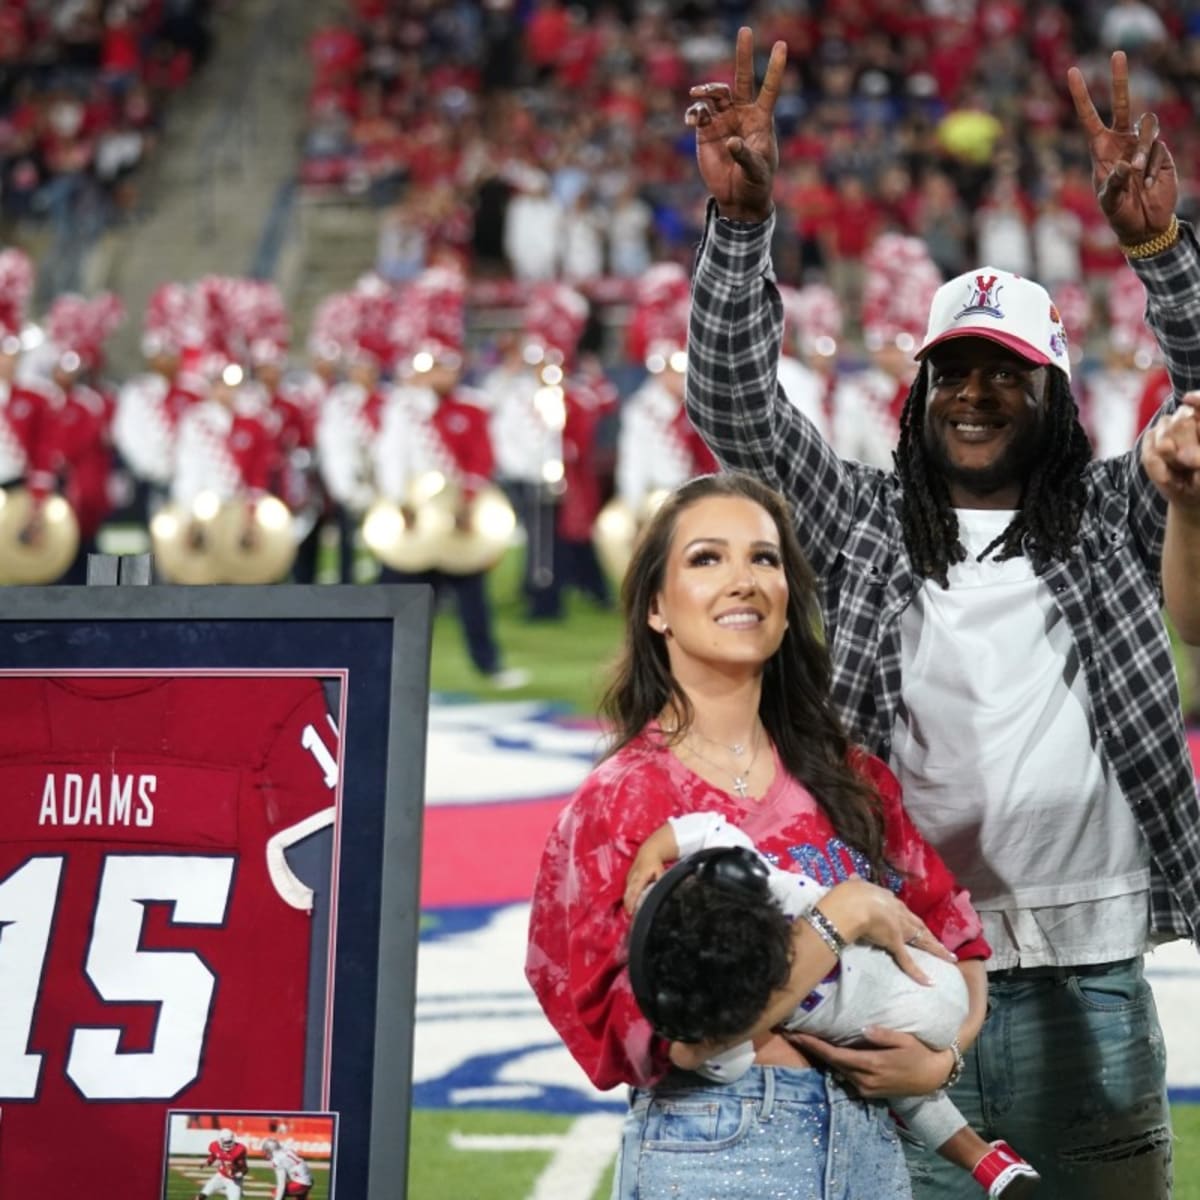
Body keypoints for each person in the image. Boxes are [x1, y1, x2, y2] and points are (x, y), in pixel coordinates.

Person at [682, 30, 1200, 1198]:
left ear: (1054, 396)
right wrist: (741, 228)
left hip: (1091, 973)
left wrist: (1159, 250)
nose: (974, 395)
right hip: (901, 967)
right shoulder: (860, 517)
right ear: (917, 397)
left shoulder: (1117, 510)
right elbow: (733, 407)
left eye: (1005, 372)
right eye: (951, 372)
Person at [526, 471, 992, 1199]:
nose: (742, 580)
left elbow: (958, 945)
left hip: (874, 1151)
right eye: (707, 559)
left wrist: (938, 1062)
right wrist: (836, 920)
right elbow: (673, 1038)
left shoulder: (851, 778)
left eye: (765, 559)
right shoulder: (620, 803)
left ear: (786, 603)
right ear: (657, 608)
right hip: (715, 1145)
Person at [624, 814, 1038, 1197]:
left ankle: (980, 1157)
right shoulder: (771, 881)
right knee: (901, 1081)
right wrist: (655, 850)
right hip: (931, 974)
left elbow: (712, 1053)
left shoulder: (743, 998)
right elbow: (715, 831)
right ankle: (981, 1155)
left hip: (895, 1022)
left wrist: (690, 1043)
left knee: (883, 1076)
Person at [195, 1128, 249, 1200]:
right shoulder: (215, 1146)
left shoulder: (239, 1150)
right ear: (220, 1141)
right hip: (221, 1175)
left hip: (234, 1180)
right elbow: (214, 1155)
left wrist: (239, 1174)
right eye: (225, 1142)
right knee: (201, 1196)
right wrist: (208, 1162)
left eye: (229, 1142)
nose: (228, 1144)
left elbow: (245, 1168)